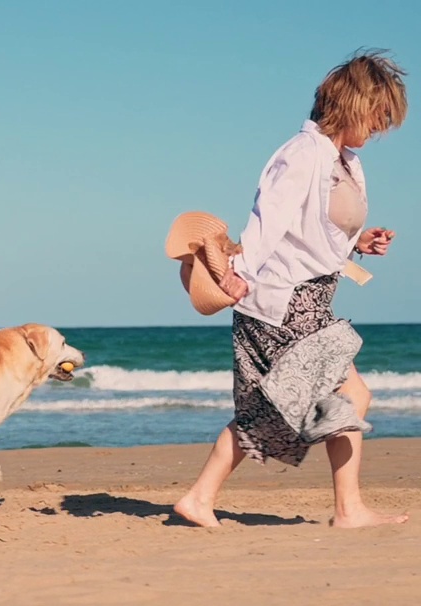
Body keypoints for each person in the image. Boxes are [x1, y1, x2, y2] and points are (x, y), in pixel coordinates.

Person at [173, 49, 409, 528]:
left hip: (313, 297)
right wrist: (236, 273)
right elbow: (269, 221)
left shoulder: (344, 161)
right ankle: (349, 509)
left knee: (278, 406)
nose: (381, 127)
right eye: (380, 114)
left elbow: (312, 232)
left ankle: (200, 498)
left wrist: (358, 242)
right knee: (348, 393)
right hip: (282, 300)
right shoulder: (301, 154)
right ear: (354, 104)